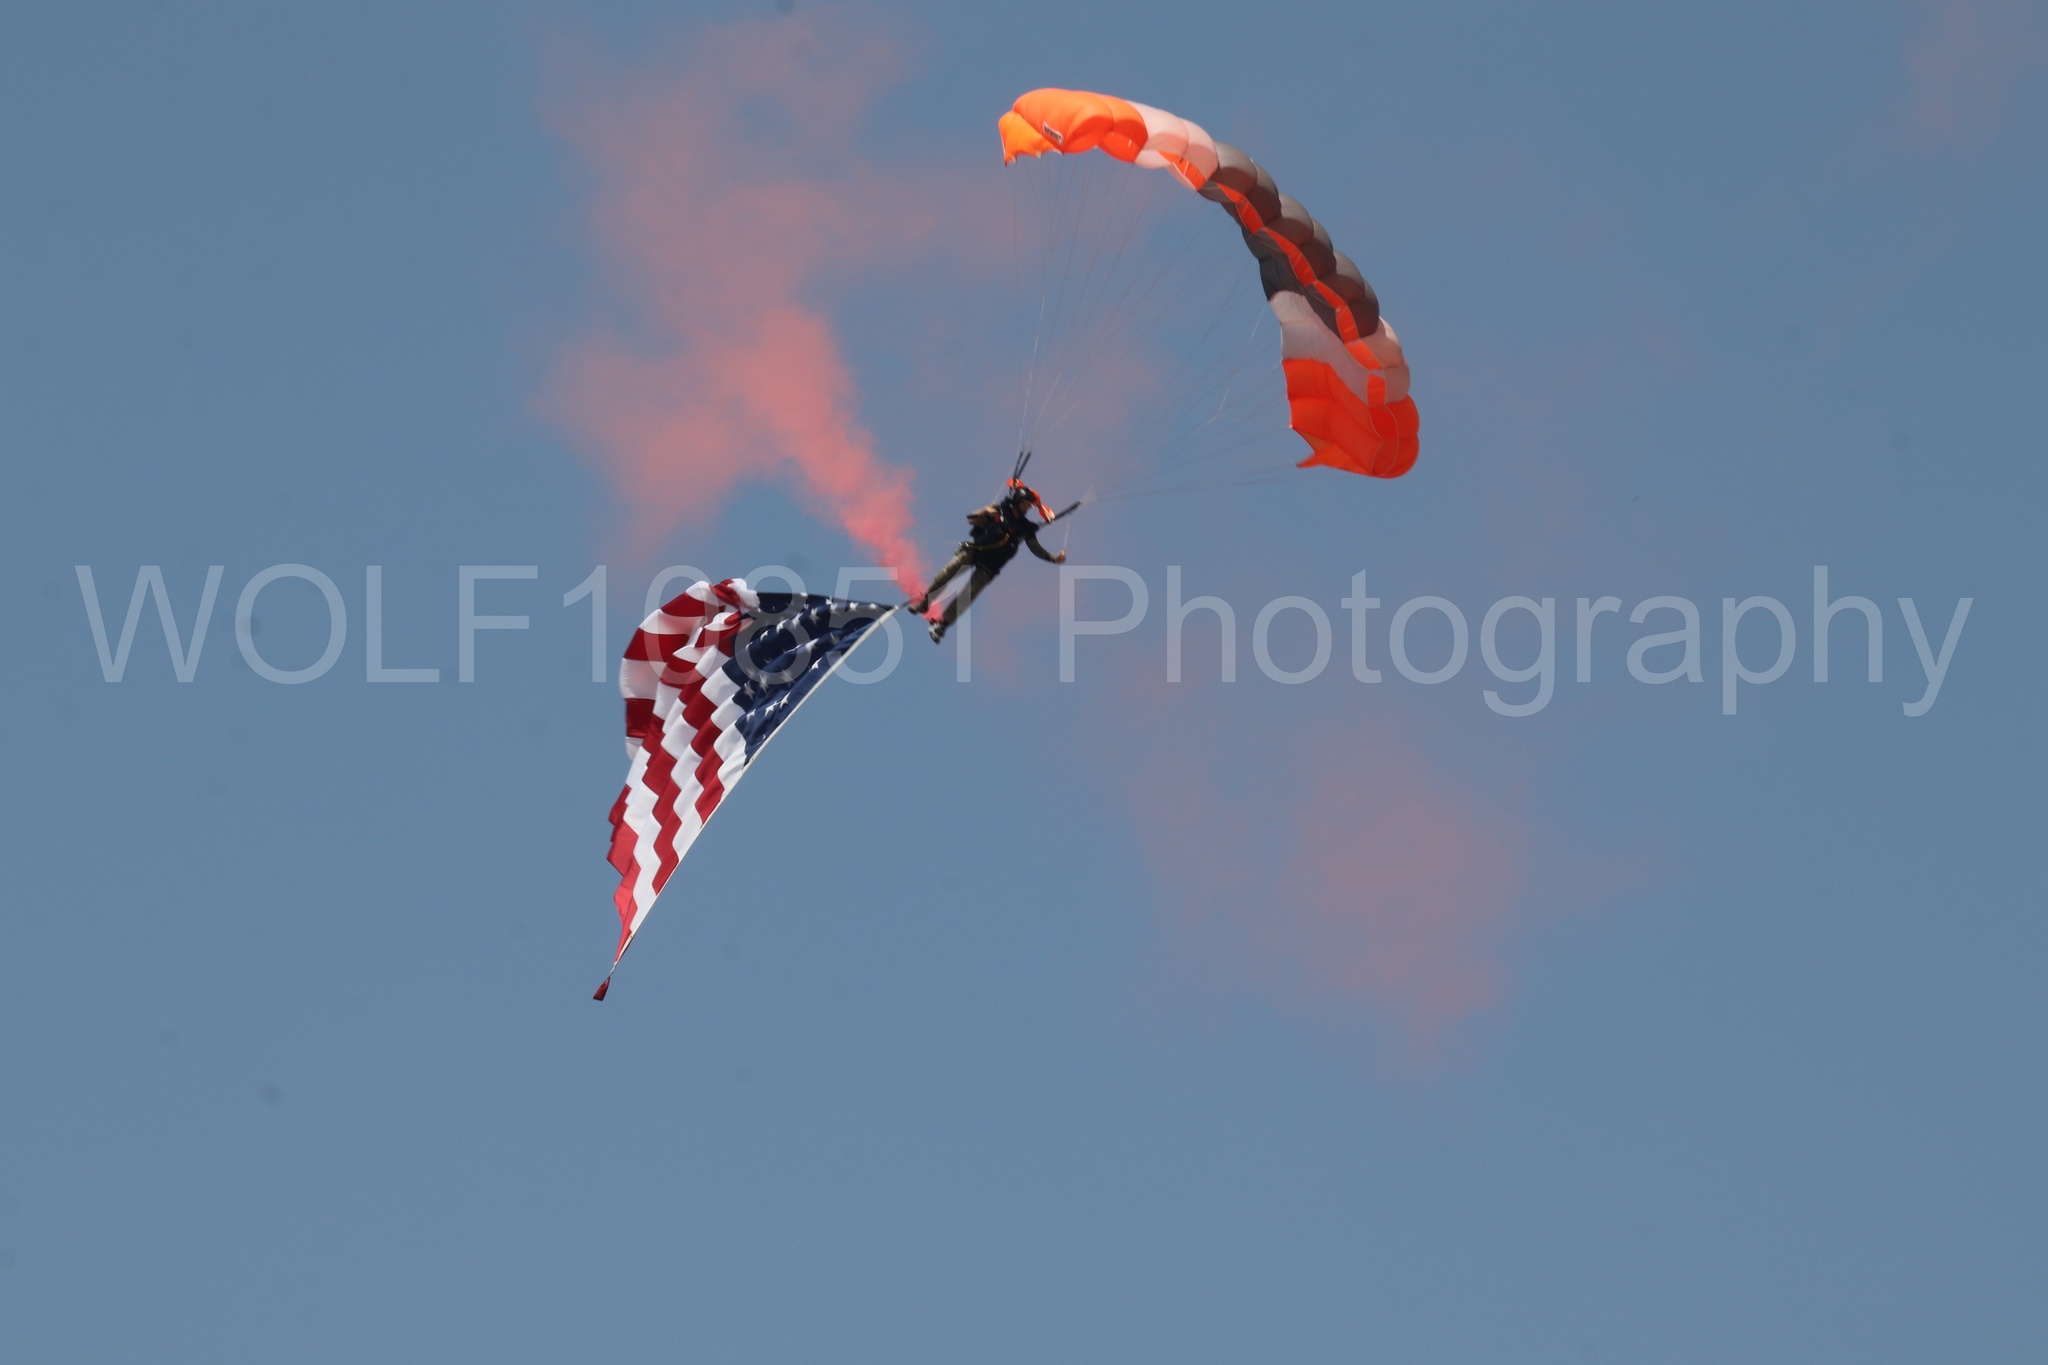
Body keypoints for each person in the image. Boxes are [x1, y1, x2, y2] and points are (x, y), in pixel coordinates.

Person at [910, 479, 1068, 643]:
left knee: (968, 595)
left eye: (1029, 506)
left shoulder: (1025, 527)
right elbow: (972, 520)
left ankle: (942, 624)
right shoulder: (999, 511)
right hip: (976, 550)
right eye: (1026, 505)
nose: (1027, 508)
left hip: (991, 566)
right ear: (1018, 501)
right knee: (948, 571)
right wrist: (986, 511)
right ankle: (925, 601)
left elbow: (1035, 547)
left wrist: (1052, 558)